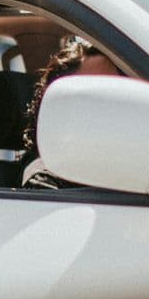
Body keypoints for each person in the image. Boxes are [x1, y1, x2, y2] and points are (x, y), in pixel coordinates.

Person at [21, 36, 126, 189]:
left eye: (117, 91)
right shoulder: (46, 179)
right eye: (96, 96)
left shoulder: (127, 166)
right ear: (60, 110)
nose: (111, 105)